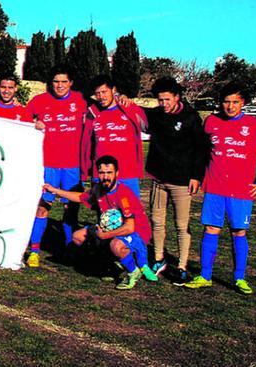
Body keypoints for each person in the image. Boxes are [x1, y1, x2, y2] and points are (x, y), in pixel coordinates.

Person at [185, 82, 256, 294]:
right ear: (221, 103)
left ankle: (239, 278)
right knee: (211, 229)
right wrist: (196, 176)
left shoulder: (254, 125)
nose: (230, 106)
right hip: (215, 187)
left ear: (242, 103)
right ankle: (205, 276)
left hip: (241, 191)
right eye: (226, 102)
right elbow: (201, 151)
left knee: (239, 231)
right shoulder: (211, 121)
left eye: (235, 102)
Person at [44, 155, 157, 290]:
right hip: (112, 230)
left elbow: (130, 227)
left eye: (109, 173)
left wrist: (104, 236)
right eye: (102, 173)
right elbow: (80, 197)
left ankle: (133, 271)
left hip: (135, 233)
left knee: (116, 245)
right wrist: (55, 190)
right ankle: (112, 265)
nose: (106, 177)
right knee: (78, 236)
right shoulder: (99, 189)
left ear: (117, 173)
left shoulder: (123, 195)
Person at [141, 77, 209, 284]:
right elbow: (135, 111)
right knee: (157, 221)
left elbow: (202, 149)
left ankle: (181, 265)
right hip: (159, 179)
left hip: (181, 181)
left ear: (177, 97)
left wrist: (196, 176)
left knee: (181, 224)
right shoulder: (156, 115)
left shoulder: (191, 118)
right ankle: (159, 259)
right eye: (160, 100)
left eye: (167, 100)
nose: (164, 104)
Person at [24, 65, 87, 267]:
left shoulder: (81, 100)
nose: (59, 86)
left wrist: (121, 98)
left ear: (71, 83)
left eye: (63, 82)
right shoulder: (40, 101)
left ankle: (70, 249)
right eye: (56, 82)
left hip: (72, 165)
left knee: (70, 208)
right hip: (48, 164)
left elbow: (104, 105)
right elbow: (22, 121)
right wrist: (34, 124)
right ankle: (34, 250)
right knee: (43, 207)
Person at [80, 74, 148, 196]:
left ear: (114, 90)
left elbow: (147, 127)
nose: (101, 97)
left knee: (131, 213)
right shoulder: (92, 113)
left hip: (127, 173)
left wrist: (127, 102)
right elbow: (86, 143)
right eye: (97, 93)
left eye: (104, 92)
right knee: (104, 214)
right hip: (101, 174)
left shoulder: (128, 108)